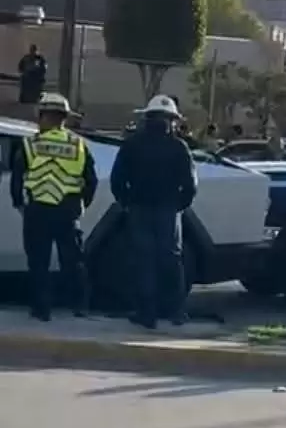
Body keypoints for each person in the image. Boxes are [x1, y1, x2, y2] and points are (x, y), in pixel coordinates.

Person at [110, 94, 198, 330]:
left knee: (143, 262)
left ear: (147, 117)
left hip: (139, 210)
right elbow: (191, 185)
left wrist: (127, 203)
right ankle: (176, 311)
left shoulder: (132, 145)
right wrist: (178, 205)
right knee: (171, 261)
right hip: (168, 212)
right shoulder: (179, 147)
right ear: (172, 120)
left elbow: (117, 179)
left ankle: (146, 314)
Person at [10, 92, 97, 321]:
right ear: (64, 118)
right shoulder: (79, 144)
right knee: (73, 261)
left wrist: (19, 203)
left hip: (38, 209)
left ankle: (42, 310)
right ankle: (80, 305)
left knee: (39, 262)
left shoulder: (31, 144)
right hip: (67, 210)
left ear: (43, 116)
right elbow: (91, 180)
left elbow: (17, 176)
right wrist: (82, 204)